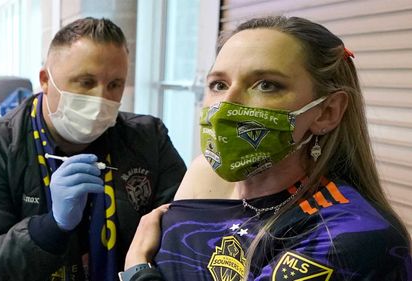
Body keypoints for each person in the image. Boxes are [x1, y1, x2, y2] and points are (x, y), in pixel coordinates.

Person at [120, 16, 412, 281]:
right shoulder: (206, 175)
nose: (227, 104)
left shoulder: (348, 236)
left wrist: (137, 270)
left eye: (266, 85)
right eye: (219, 85)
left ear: (327, 112)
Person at [0, 17, 186, 281]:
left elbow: (183, 231)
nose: (100, 99)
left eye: (114, 85)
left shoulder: (149, 139)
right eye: (85, 82)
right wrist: (50, 228)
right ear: (45, 80)